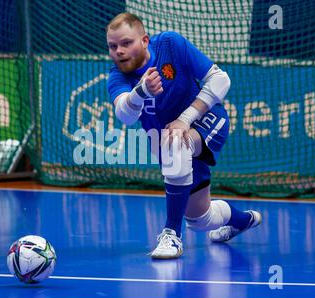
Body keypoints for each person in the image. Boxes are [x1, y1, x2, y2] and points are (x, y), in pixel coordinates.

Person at [106, 12, 262, 259]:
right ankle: (244, 220)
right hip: (172, 144)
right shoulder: (117, 77)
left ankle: (171, 235)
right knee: (200, 219)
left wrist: (185, 119)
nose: (119, 51)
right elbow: (125, 114)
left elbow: (220, 79)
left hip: (206, 120)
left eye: (126, 43)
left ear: (144, 40)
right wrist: (141, 92)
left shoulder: (170, 44)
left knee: (174, 142)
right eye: (113, 47)